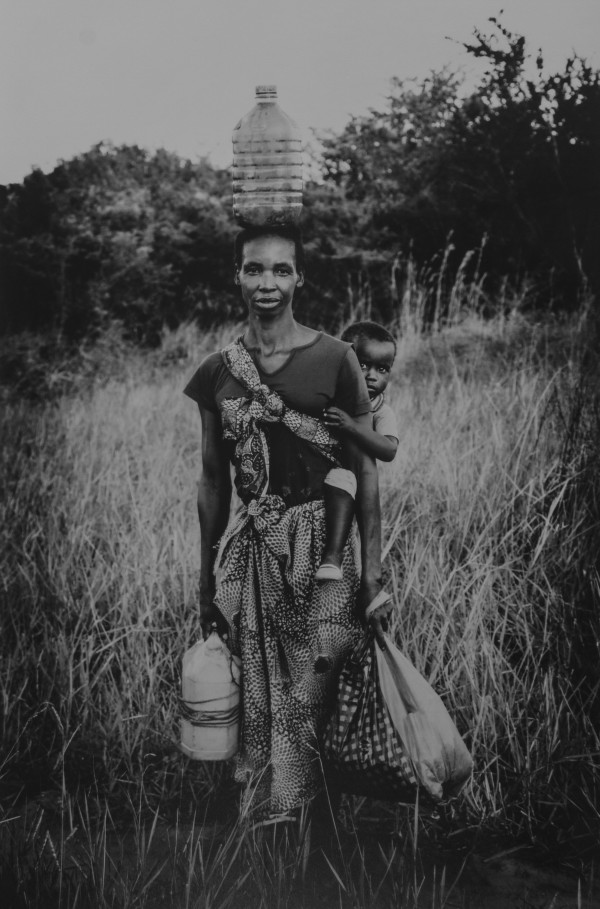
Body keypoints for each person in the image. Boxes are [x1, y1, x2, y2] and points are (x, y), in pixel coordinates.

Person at [183, 226, 393, 817]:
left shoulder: (335, 358)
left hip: (321, 548)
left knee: (313, 691)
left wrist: (372, 575)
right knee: (253, 690)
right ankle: (261, 820)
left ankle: (308, 820)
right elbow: (212, 479)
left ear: (300, 278)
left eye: (281, 270)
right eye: (255, 269)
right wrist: (205, 580)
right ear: (239, 277)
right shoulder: (216, 371)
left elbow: (365, 470)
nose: (267, 283)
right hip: (252, 548)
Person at [316, 321, 399, 582]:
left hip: (353, 486)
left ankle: (334, 558)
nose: (372, 375)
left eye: (382, 369)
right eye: (362, 365)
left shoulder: (381, 411)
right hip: (317, 486)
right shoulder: (330, 395)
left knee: (343, 485)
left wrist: (352, 427)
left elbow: (388, 449)